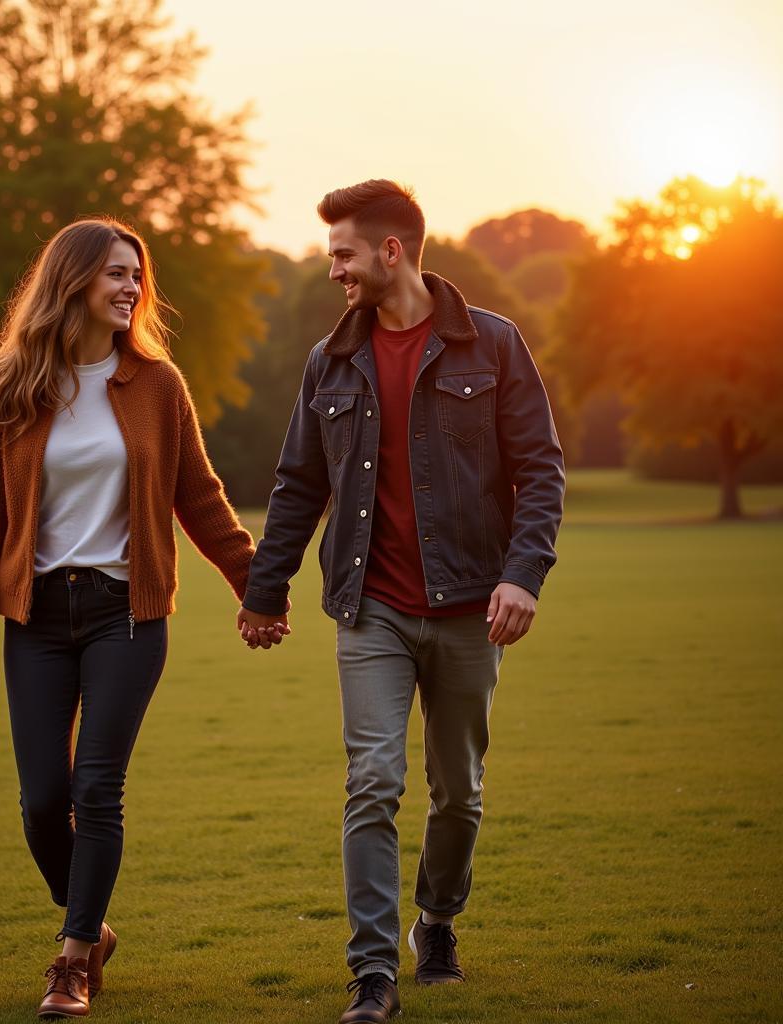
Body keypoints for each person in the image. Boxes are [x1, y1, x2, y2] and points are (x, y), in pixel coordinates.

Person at [238, 180, 564, 1023]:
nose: (333, 268)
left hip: (468, 607)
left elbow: (541, 471)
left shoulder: (493, 346)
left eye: (344, 252)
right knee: (373, 780)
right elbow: (299, 482)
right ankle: (372, 974)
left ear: (392, 250)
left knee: (458, 792)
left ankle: (438, 922)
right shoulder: (330, 361)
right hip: (369, 607)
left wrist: (522, 576)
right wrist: (263, 591)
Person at [0, 216, 268, 1018]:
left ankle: (71, 961)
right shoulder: (11, 382)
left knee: (97, 787)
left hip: (126, 613)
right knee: (39, 800)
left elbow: (199, 496)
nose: (132, 288)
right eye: (116, 275)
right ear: (74, 281)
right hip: (36, 617)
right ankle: (92, 925)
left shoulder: (157, 385)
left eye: (138, 275)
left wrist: (255, 585)